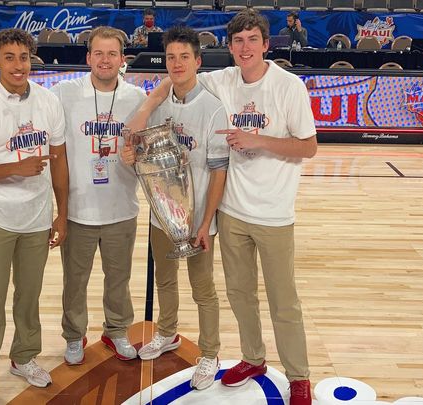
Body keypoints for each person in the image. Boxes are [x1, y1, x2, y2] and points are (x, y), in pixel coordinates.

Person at [127, 9, 317, 405]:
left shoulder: (289, 86)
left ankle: (299, 376)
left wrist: (258, 139)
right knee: (240, 293)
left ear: (266, 44)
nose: (245, 48)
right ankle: (254, 358)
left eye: (253, 40)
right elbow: (174, 77)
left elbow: (308, 147)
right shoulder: (222, 80)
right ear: (229, 47)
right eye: (238, 41)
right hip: (231, 211)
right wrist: (144, 110)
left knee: (283, 300)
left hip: (274, 212)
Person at [0, 26, 147, 365]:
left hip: (122, 207)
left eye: (112, 54)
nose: (105, 60)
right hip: (79, 209)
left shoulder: (137, 98)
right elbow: (22, 98)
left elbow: (147, 144)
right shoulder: (63, 93)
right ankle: (74, 335)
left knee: (119, 279)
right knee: (75, 281)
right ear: (88, 58)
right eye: (99, 53)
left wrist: (138, 153)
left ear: (122, 59)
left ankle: (117, 330)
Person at [0, 28, 69, 405]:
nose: (18, 65)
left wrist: (62, 213)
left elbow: (59, 161)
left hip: (37, 216)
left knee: (29, 295)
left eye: (24, 57)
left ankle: (23, 357)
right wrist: (13, 169)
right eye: (9, 58)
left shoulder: (49, 102)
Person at [120, 26, 229, 391]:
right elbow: (134, 142)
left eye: (184, 57)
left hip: (198, 220)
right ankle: (167, 332)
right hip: (161, 215)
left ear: (198, 61)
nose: (177, 63)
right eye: (171, 57)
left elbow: (219, 172)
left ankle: (210, 352)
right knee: (165, 280)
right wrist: (132, 151)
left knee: (203, 288)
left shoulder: (213, 108)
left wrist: (207, 222)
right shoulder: (158, 105)